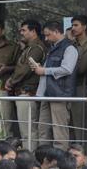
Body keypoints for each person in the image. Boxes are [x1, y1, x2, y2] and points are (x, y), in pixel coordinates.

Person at [32, 21, 78, 150]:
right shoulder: (54, 47)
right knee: (43, 128)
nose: (46, 38)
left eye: (48, 35)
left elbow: (67, 69)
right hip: (48, 93)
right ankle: (44, 157)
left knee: (59, 130)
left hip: (59, 93)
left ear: (57, 32)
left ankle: (60, 159)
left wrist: (44, 71)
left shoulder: (69, 48)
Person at [5, 19, 46, 150]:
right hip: (23, 92)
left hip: (28, 93)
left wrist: (11, 81)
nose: (21, 33)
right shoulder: (30, 47)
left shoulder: (36, 48)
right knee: (26, 130)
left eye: (24, 30)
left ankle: (29, 158)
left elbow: (26, 69)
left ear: (33, 31)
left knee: (28, 130)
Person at [69, 15, 87, 152]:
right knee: (69, 127)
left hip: (81, 87)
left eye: (76, 25)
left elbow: (81, 69)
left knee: (80, 127)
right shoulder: (71, 44)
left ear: (84, 27)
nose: (73, 28)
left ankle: (85, 157)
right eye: (72, 25)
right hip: (67, 88)